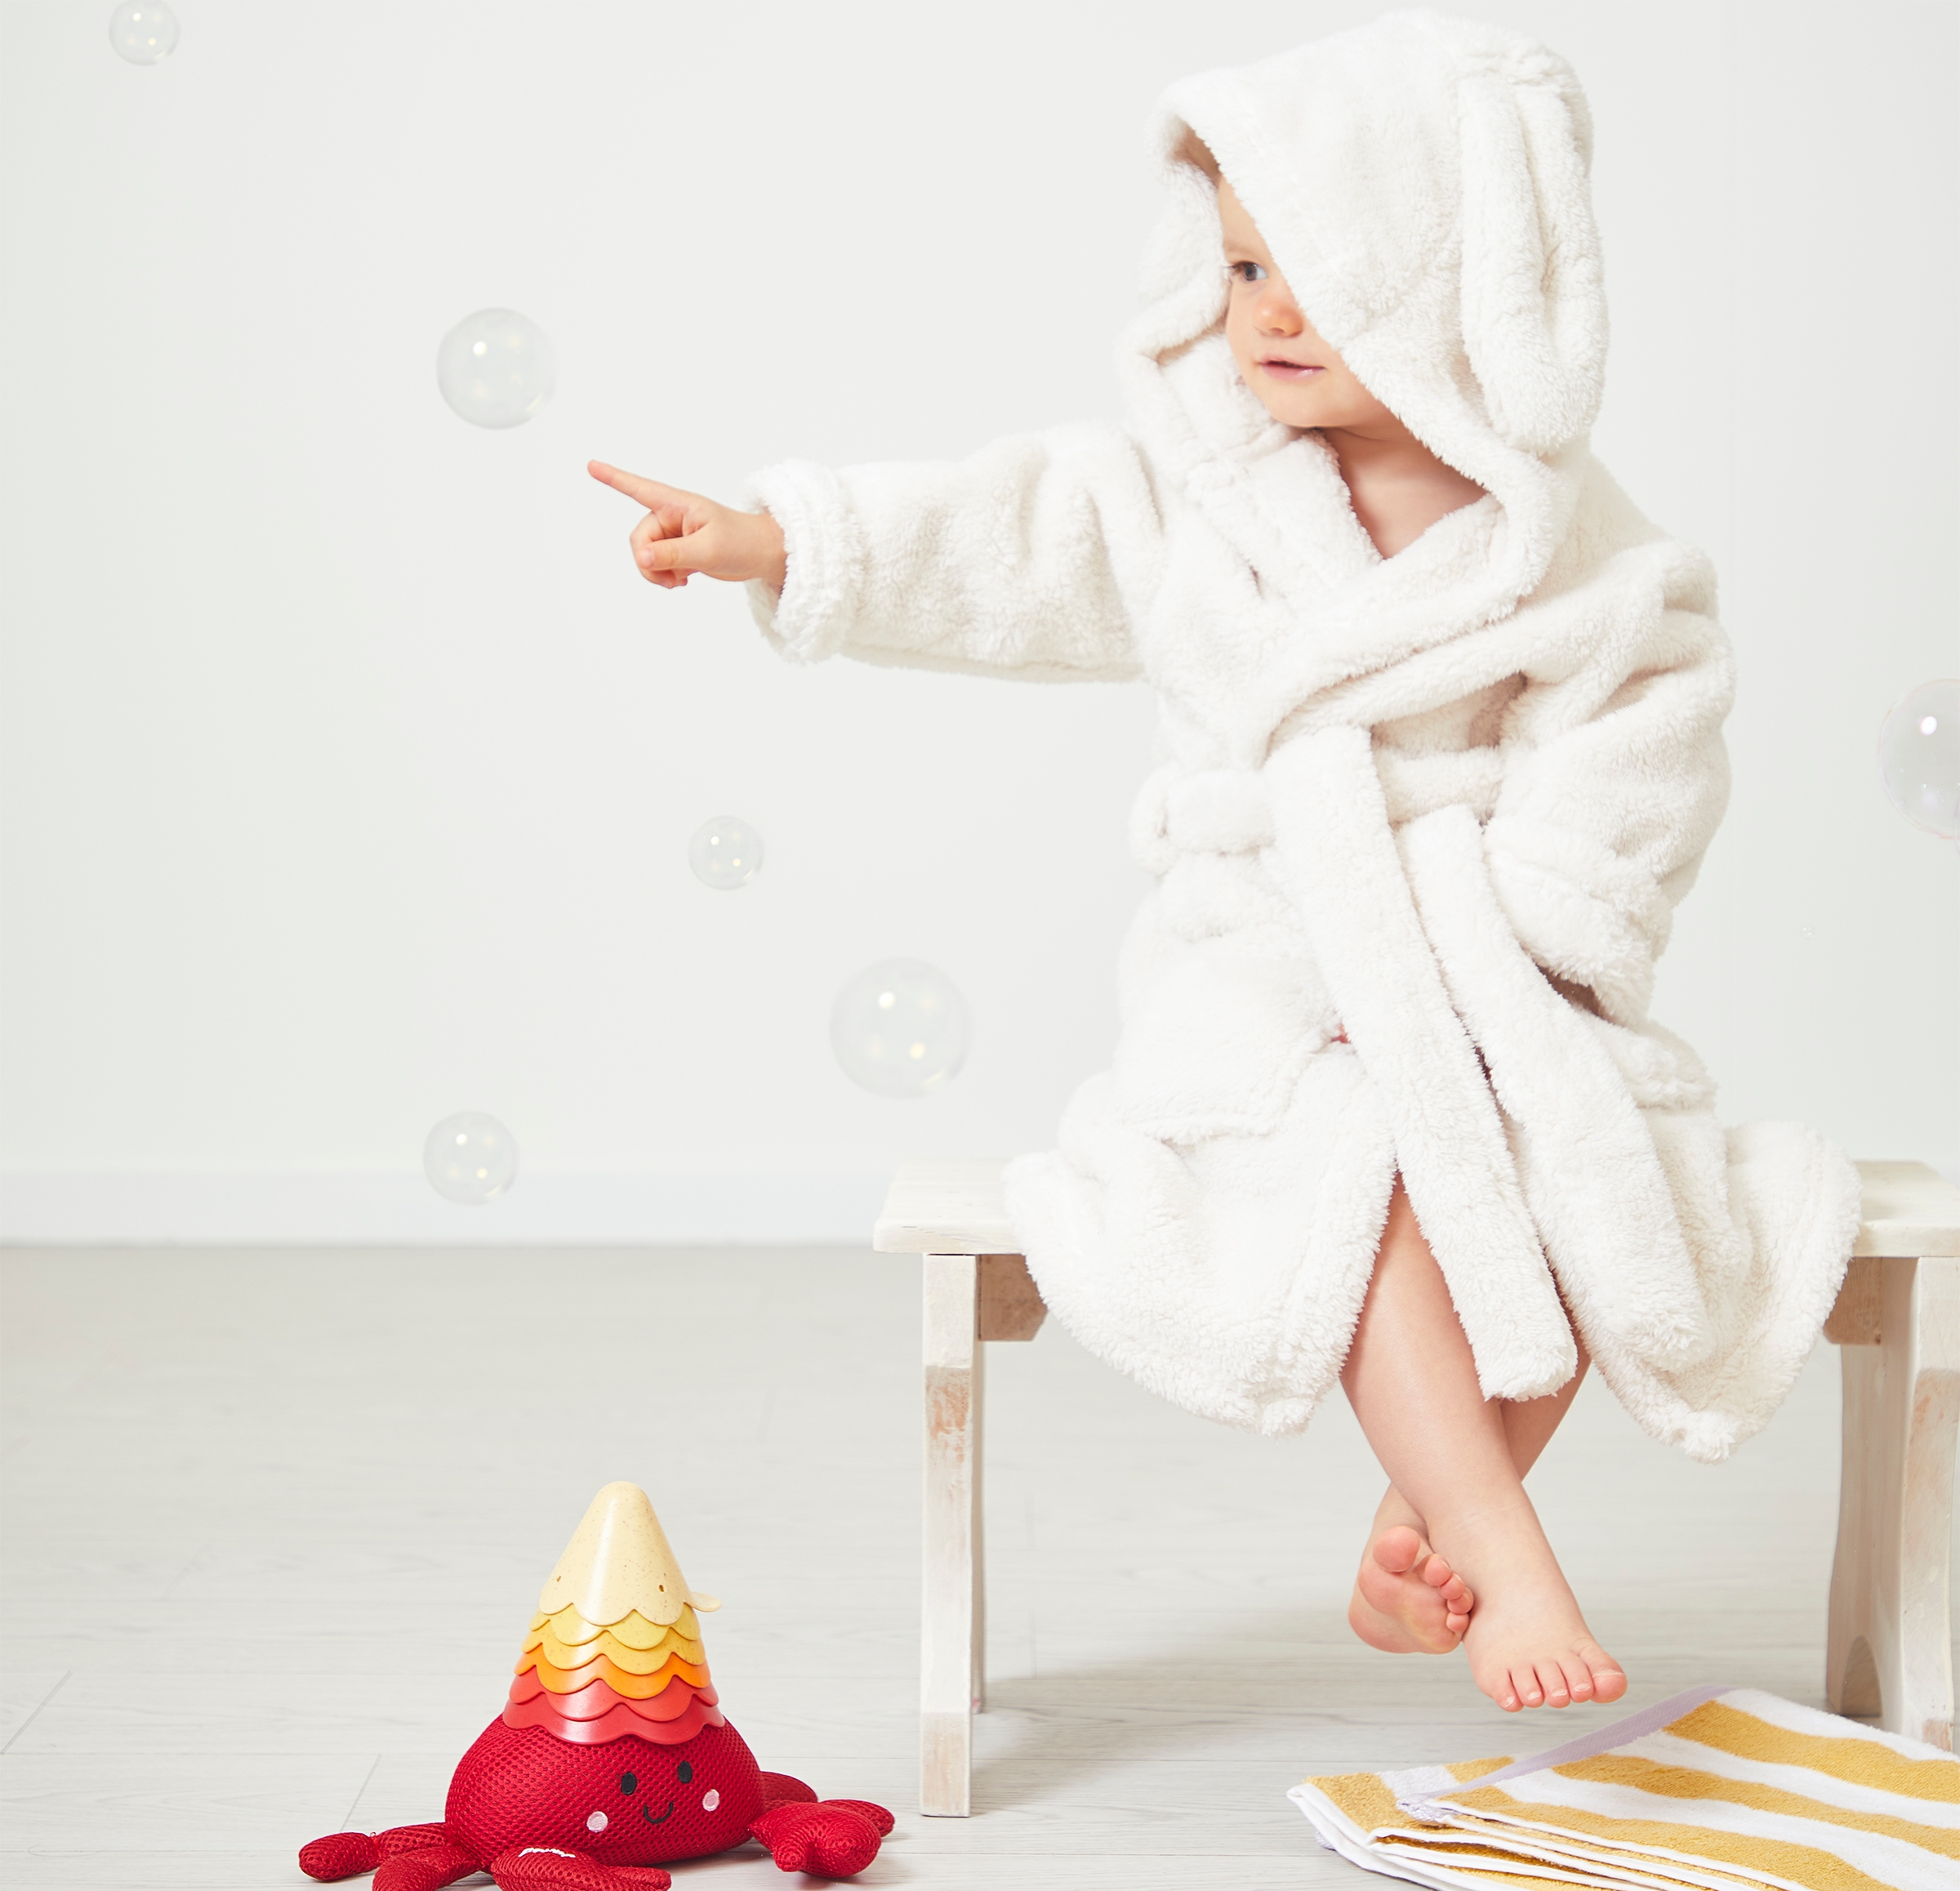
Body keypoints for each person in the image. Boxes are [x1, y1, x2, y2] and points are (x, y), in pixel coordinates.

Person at [586, 14, 1859, 1717]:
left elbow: (1647, 732)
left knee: (1573, 1161)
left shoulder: (1576, 546)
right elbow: (1007, 534)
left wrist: (1533, 922)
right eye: (1244, 263)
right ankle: (1505, 1545)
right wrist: (780, 540)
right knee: (1365, 1151)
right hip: (1263, 960)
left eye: (1317, 270)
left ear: (1449, 276)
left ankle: (1422, 1523)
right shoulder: (1198, 498)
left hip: (1488, 958)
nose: (1264, 309)